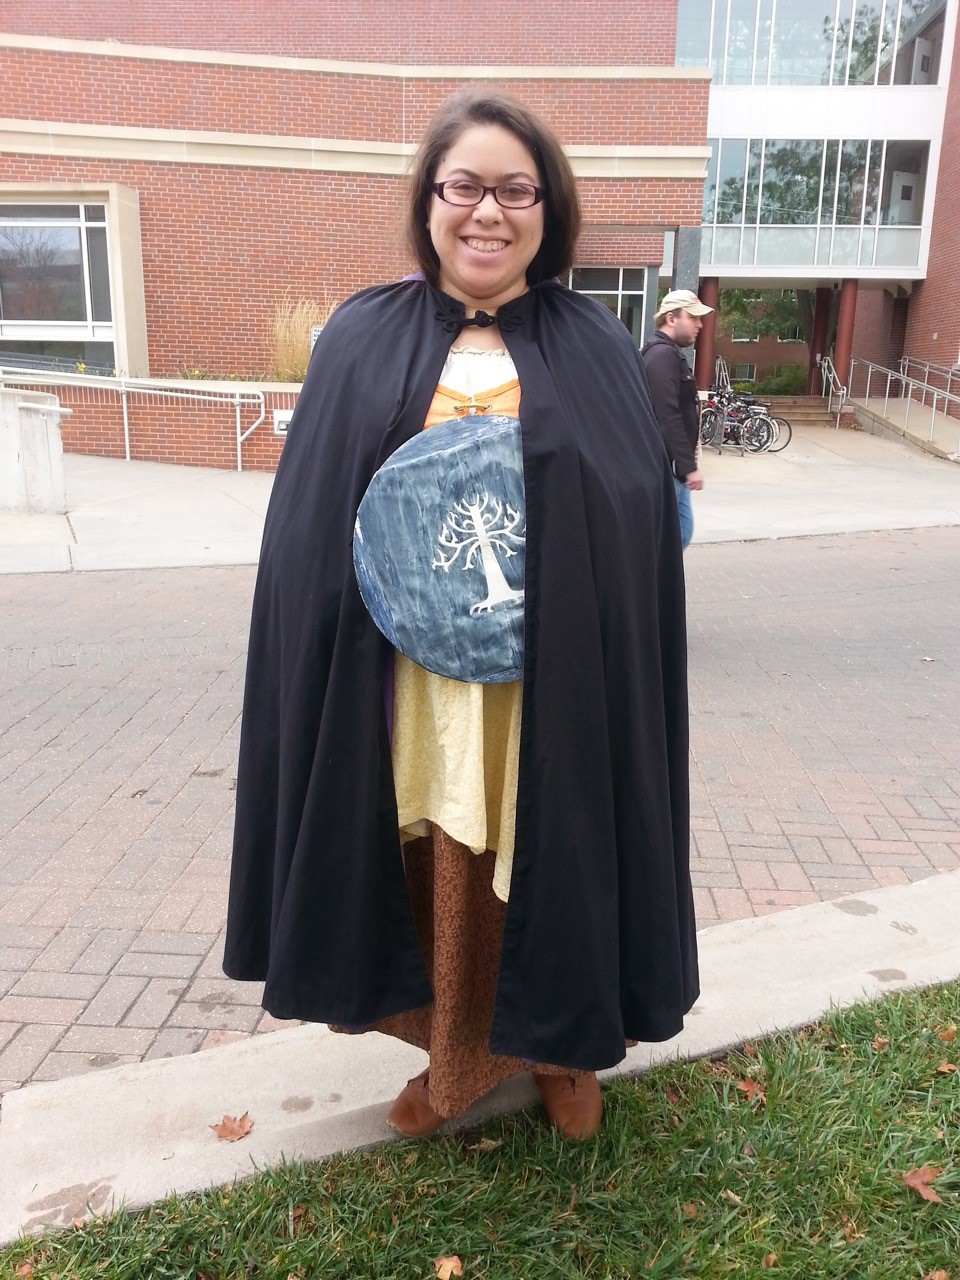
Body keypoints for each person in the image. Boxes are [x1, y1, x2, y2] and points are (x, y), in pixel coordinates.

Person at [223, 88, 698, 1142]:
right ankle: (455, 1057)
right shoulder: (360, 335)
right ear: (432, 200)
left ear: (548, 207)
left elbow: (629, 517)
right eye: (466, 185)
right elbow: (307, 533)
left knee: (554, 850)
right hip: (409, 681)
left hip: (551, 679)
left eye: (515, 189)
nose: (489, 211)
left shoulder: (594, 344)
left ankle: (558, 1045)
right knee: (437, 861)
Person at [640, 288, 714, 550]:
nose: (699, 324)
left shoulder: (665, 354)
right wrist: (687, 466)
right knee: (674, 536)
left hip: (672, 469)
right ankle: (651, 586)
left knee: (677, 534)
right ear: (671, 319)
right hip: (667, 468)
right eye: (693, 317)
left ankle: (654, 584)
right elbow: (666, 415)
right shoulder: (661, 356)